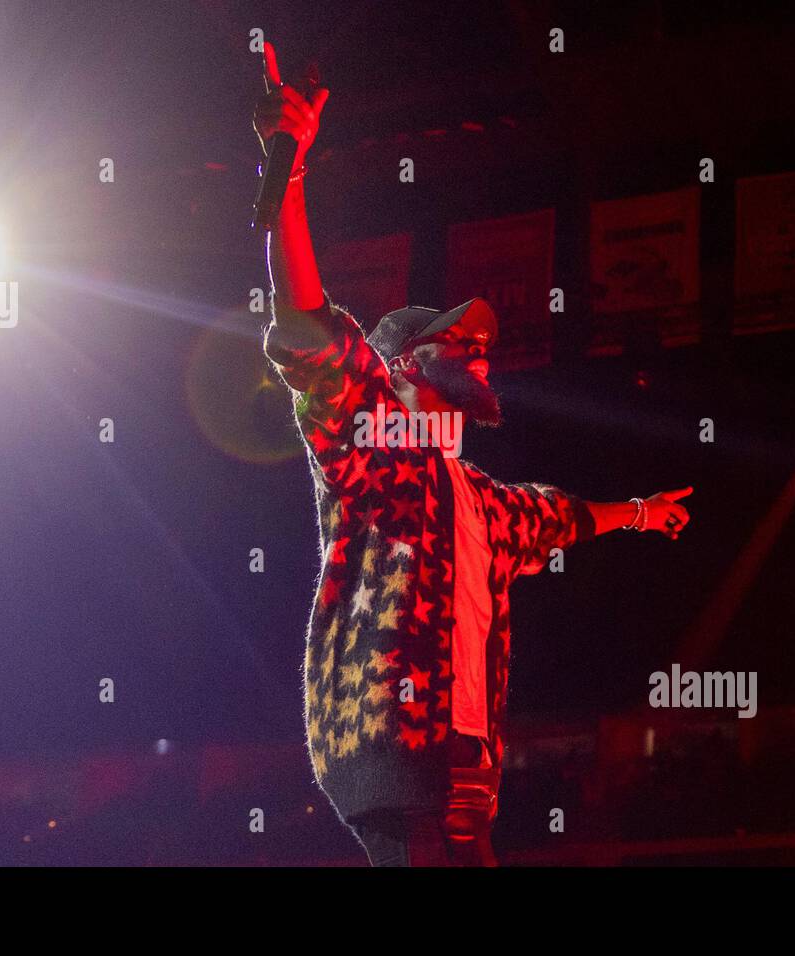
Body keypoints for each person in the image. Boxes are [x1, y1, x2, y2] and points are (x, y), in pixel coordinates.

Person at [254, 41, 693, 866]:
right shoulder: (378, 443)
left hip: (471, 766)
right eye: (461, 341)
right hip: (391, 751)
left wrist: (639, 514)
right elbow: (307, 325)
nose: (483, 350)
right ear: (407, 365)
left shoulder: (484, 503)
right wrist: (289, 169)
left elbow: (561, 517)